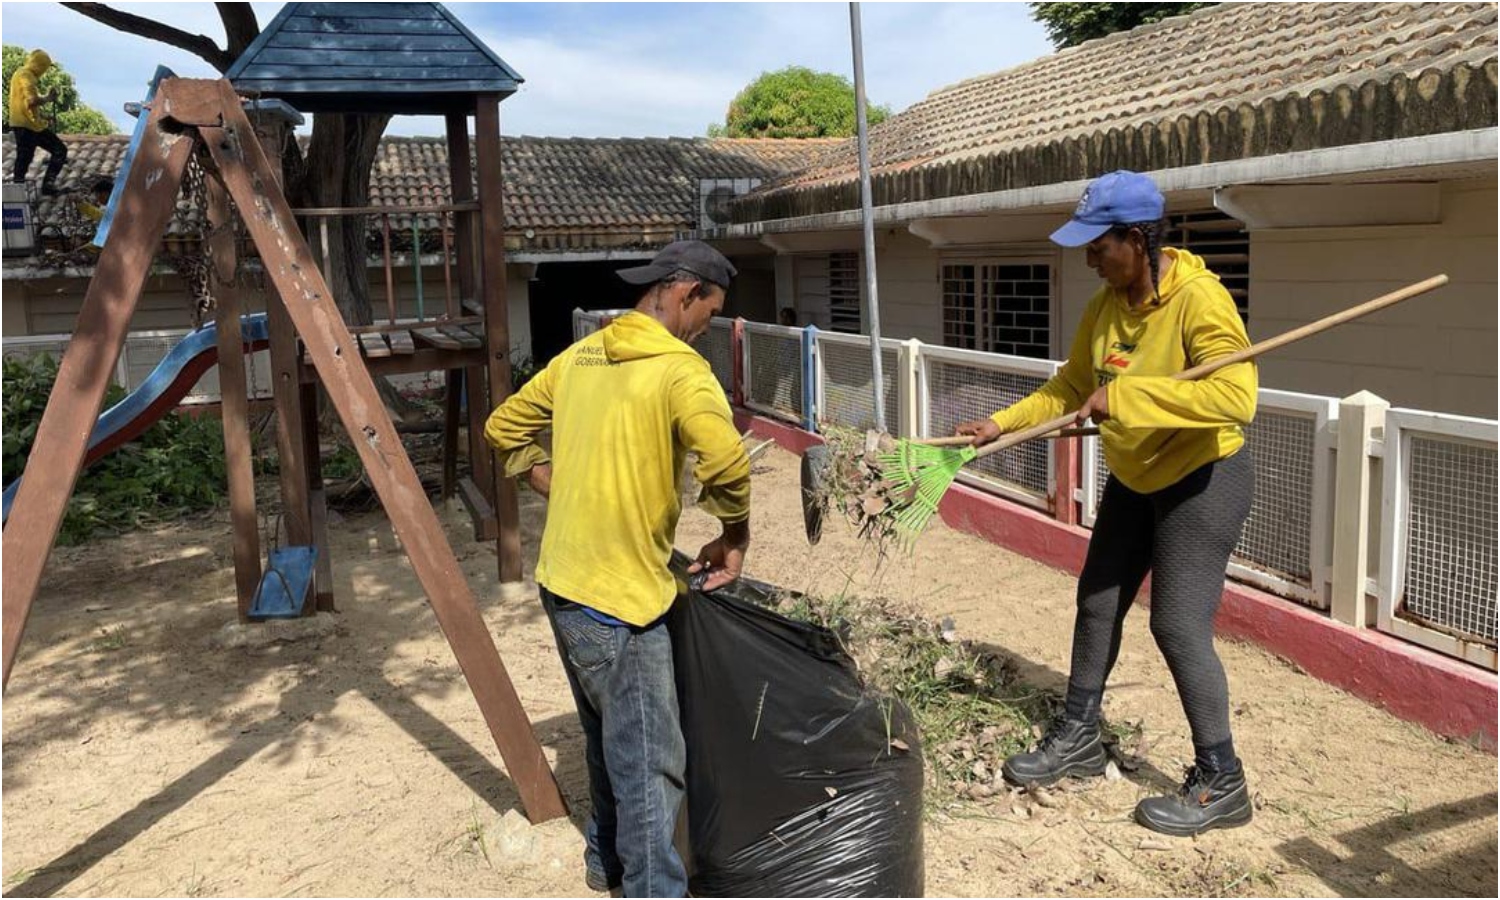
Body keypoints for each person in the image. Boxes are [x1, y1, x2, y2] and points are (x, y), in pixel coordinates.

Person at [956, 170, 1257, 837]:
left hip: (1202, 477)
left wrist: (1126, 397)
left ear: (1138, 239)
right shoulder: (1105, 305)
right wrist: (1000, 425)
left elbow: (1236, 397)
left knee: (1176, 625)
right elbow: (1069, 386)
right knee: (1096, 600)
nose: (1089, 258)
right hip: (1135, 474)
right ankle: (1081, 737)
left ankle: (1223, 779)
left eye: (1099, 245)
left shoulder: (1199, 301)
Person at [485, 240, 752, 896]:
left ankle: (604, 863)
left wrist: (560, 484)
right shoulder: (681, 371)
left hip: (563, 584)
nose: (705, 328)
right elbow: (728, 464)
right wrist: (733, 535)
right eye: (709, 314)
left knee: (608, 739)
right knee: (651, 770)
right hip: (622, 601)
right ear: (686, 294)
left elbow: (503, 428)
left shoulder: (579, 357)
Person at [8, 49, 67, 195]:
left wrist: (44, 117)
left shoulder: (25, 75)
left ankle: (44, 185)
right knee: (26, 156)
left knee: (55, 150)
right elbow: (32, 100)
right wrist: (48, 98)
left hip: (31, 125)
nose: (44, 71)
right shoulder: (24, 75)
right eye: (44, 67)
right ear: (39, 65)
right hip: (25, 126)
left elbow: (26, 107)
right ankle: (19, 190)